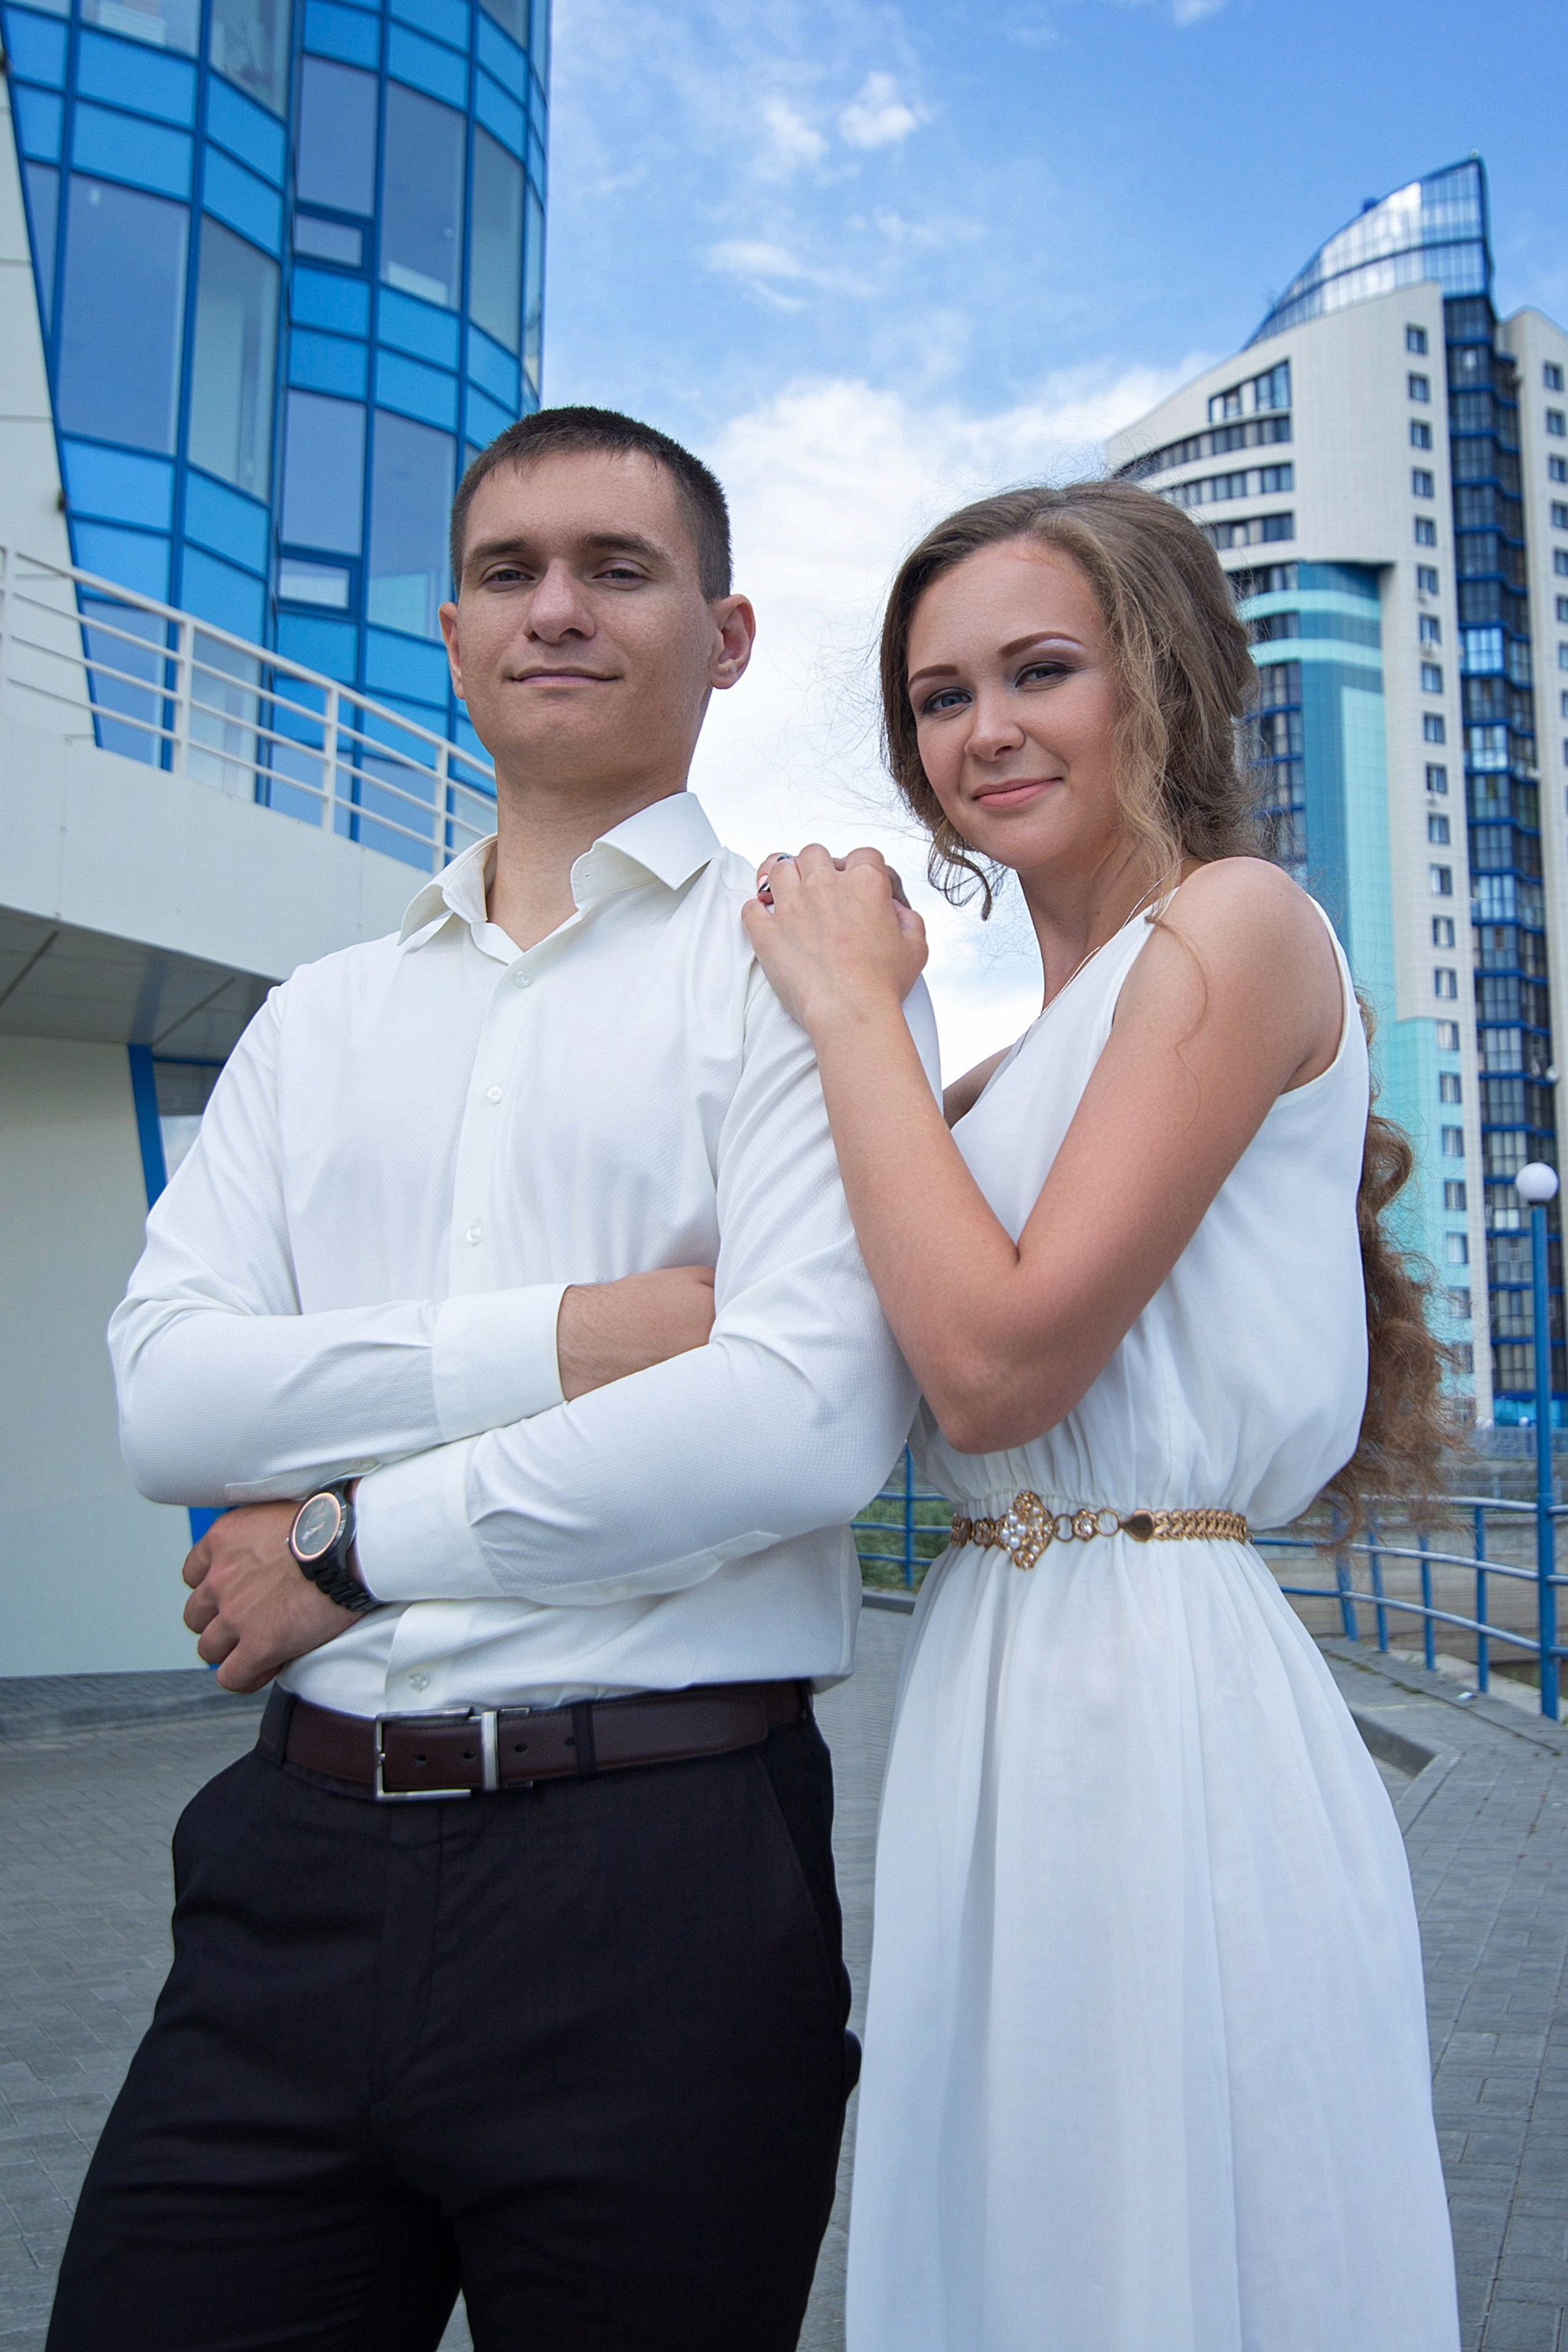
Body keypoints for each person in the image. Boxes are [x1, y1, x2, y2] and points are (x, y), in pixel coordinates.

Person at [47, 407, 936, 2352]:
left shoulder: (806, 966)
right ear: (450, 635)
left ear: (726, 635)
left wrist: (346, 1543)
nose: (559, 608)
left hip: (664, 1887)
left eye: (619, 568)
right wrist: (579, 1337)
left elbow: (799, 1422)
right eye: (514, 574)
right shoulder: (313, 1022)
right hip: (290, 1870)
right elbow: (171, 1410)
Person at [744, 481, 1461, 2352]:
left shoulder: (1241, 926)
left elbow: (991, 1365)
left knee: (1172, 2224)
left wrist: (849, 1014)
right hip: (995, 1662)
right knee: (1020, 2224)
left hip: (1159, 1679)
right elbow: (778, 1318)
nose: (982, 732)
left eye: (1038, 670)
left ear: (1162, 680)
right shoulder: (994, 1072)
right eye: (936, 695)